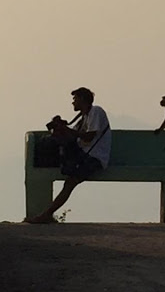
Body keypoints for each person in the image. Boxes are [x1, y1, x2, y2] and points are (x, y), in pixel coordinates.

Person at [25, 87, 111, 223]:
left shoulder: (95, 111)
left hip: (94, 158)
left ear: (82, 99)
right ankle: (47, 214)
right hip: (84, 155)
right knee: (54, 145)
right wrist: (61, 127)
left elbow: (89, 137)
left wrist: (65, 129)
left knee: (70, 183)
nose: (73, 103)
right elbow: (73, 135)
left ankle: (46, 215)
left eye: (75, 99)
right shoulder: (84, 116)